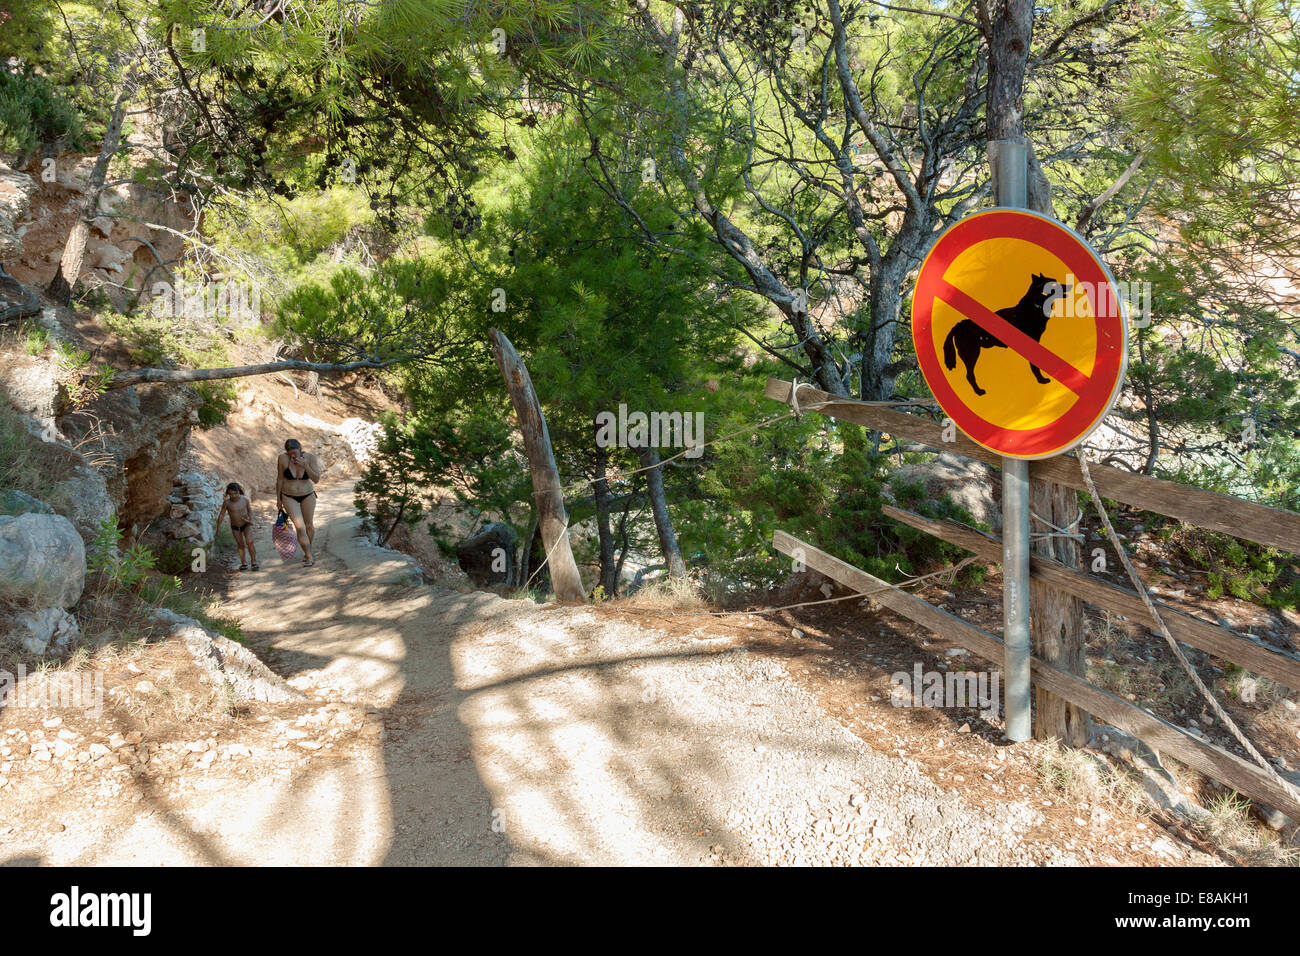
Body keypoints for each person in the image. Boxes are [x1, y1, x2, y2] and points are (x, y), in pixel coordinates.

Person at [276, 437, 323, 568]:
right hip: (288, 495)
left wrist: (305, 466)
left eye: (295, 452)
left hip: (307, 494)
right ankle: (309, 556)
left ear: (300, 449)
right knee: (300, 527)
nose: (293, 455)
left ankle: (308, 548)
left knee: (309, 526)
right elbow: (279, 479)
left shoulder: (310, 457)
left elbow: (316, 479)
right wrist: (278, 499)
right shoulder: (282, 458)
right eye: (290, 453)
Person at [215, 482, 259, 571]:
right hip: (235, 527)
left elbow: (250, 510)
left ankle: (254, 562)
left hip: (246, 524)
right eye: (230, 494)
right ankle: (244, 563)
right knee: (240, 545)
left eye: (235, 493)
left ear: (239, 492)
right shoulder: (227, 503)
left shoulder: (245, 500)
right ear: (228, 493)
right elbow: (221, 515)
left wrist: (250, 519)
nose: (233, 496)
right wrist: (218, 528)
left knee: (249, 542)